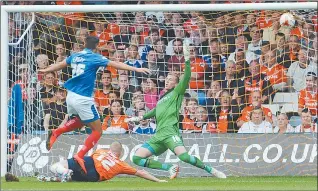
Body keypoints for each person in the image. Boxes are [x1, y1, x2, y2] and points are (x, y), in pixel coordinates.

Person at [39, 36, 150, 174]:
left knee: (79, 122)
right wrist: (137, 69)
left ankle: (56, 132)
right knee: (98, 131)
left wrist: (46, 70)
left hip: (70, 96)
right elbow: (115, 64)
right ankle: (79, 155)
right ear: (97, 45)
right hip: (83, 99)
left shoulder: (75, 55)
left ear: (84, 43)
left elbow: (61, 64)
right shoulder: (96, 57)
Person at [126, 45, 226, 179]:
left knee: (184, 157)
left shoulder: (177, 92)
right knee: (136, 158)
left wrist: (187, 60)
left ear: (176, 83)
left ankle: (211, 170)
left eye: (170, 80)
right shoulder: (162, 97)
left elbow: (187, 77)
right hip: (159, 135)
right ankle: (169, 167)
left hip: (171, 133)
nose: (167, 81)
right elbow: (156, 111)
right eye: (166, 79)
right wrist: (140, 118)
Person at [46, 142, 167, 183]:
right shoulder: (121, 164)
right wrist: (158, 180)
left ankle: (62, 172)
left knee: (55, 166)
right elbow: (141, 172)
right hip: (94, 175)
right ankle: (63, 174)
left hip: (89, 162)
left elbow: (86, 161)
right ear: (120, 154)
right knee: (77, 176)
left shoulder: (100, 151)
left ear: (110, 149)